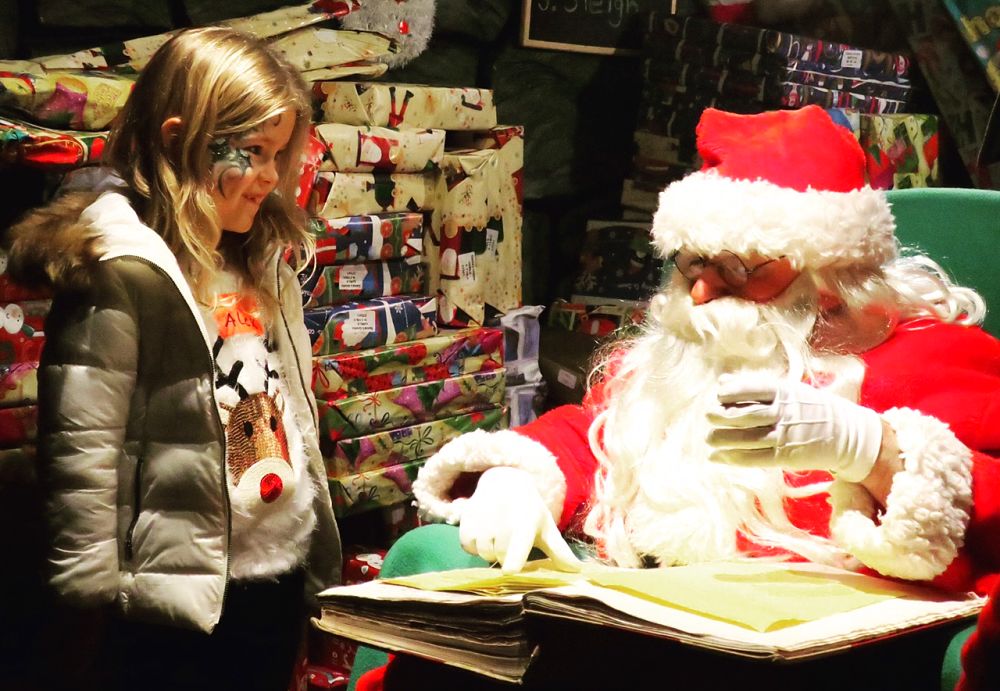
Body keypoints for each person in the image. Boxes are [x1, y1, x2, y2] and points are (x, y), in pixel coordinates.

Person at [353, 105, 1000, 690]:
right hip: (646, 616)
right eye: (693, 264)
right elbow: (598, 430)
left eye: (738, 270)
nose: (700, 293)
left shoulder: (934, 357)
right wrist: (518, 477)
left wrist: (875, 452)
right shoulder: (684, 355)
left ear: (831, 274)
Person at [5, 27, 340, 691]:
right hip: (172, 603)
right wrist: (85, 600)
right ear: (179, 140)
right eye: (253, 153)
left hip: (274, 572)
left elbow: (291, 407)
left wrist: (316, 558)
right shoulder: (123, 270)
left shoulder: (260, 260)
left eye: (280, 155)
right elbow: (83, 448)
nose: (271, 177)